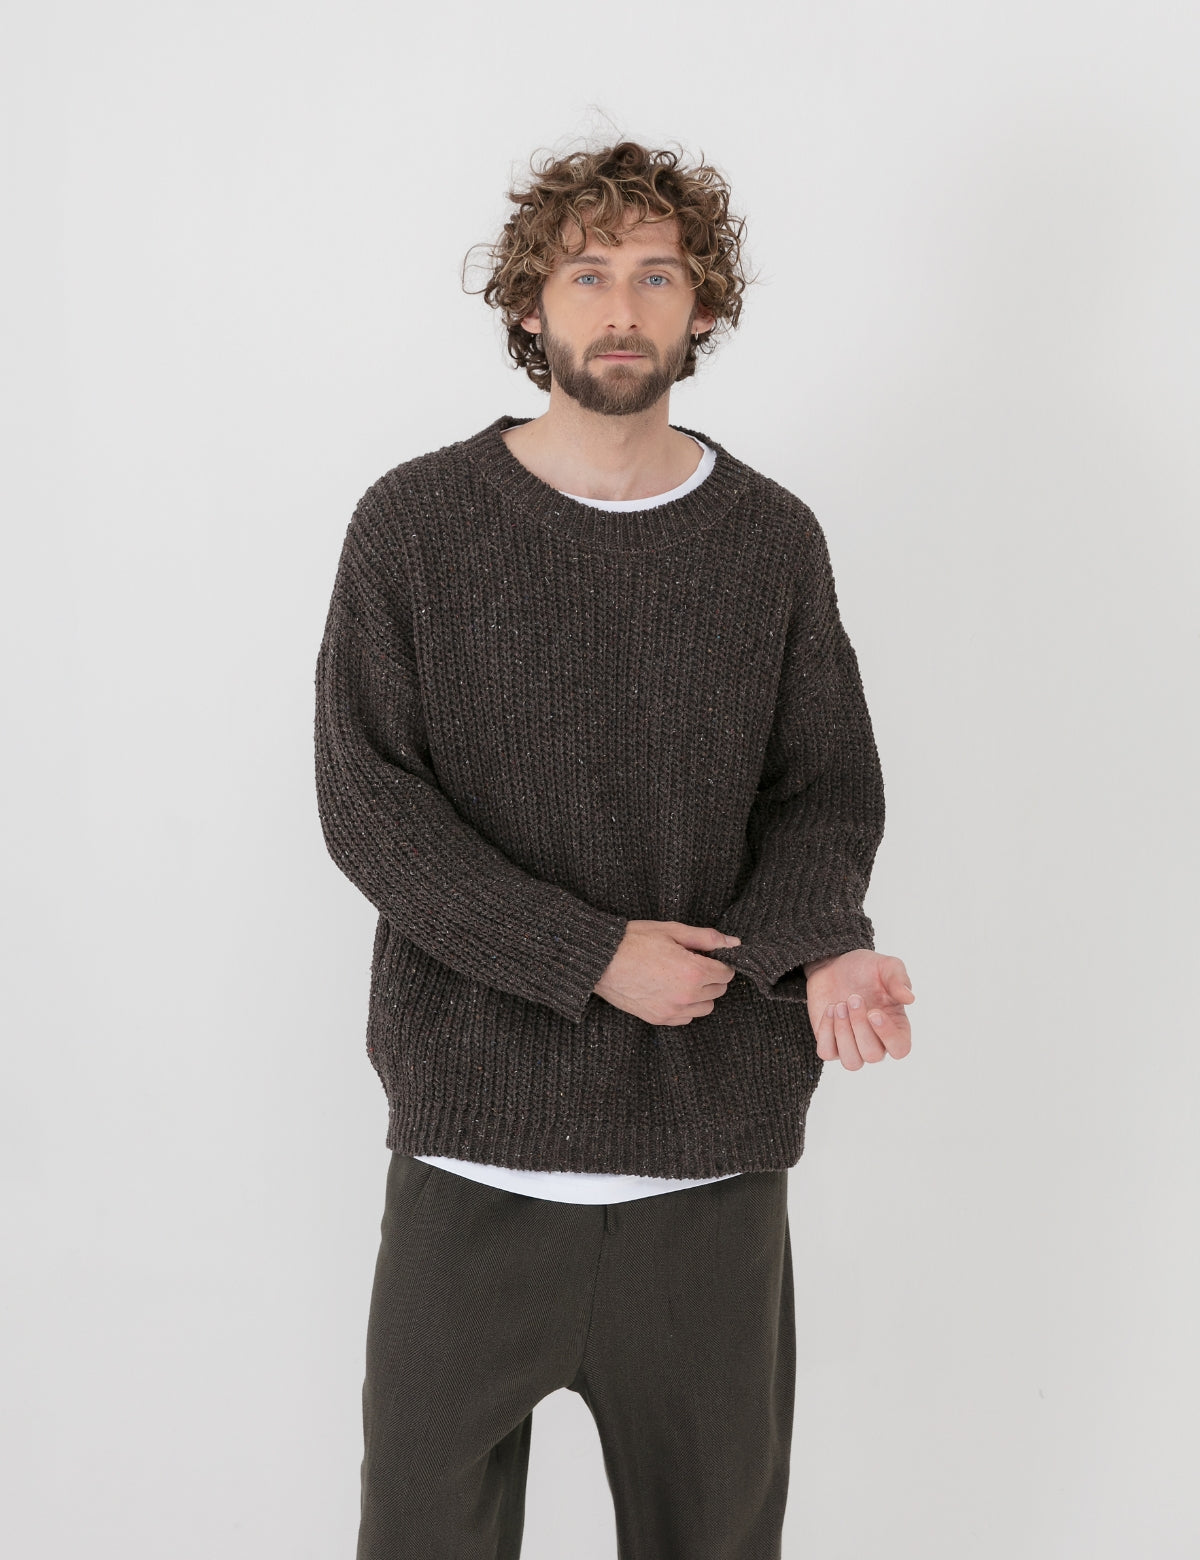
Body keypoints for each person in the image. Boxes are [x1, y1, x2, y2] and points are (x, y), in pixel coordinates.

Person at [314, 138, 915, 1560]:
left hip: (708, 1171)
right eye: (588, 274)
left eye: (658, 274)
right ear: (532, 307)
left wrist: (824, 943)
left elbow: (822, 794)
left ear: (704, 308)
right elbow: (370, 802)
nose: (624, 306)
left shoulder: (768, 540)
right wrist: (588, 955)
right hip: (473, 1157)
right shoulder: (416, 524)